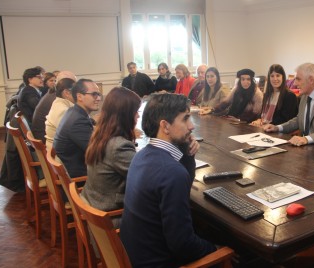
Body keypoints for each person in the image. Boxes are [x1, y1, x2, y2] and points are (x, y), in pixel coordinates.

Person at [120, 93, 216, 267]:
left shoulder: (141, 156)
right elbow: (182, 245)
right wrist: (216, 249)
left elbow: (182, 186)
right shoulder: (171, 172)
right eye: (185, 119)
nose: (191, 126)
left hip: (136, 254)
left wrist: (188, 155)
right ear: (165, 125)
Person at [81, 87, 141, 227]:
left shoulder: (100, 134)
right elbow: (148, 179)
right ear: (125, 114)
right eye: (135, 111)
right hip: (111, 218)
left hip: (94, 204)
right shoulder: (118, 146)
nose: (138, 115)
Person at [53, 79, 102, 178]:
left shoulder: (73, 111)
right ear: (79, 96)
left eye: (99, 94)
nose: (98, 98)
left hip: (76, 170)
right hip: (80, 178)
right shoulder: (77, 121)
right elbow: (98, 153)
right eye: (94, 94)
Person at [32, 71, 77, 143]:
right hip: (45, 139)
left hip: (46, 136)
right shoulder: (56, 100)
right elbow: (73, 131)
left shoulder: (54, 94)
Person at [44, 77, 76, 151]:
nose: (79, 95)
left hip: (56, 151)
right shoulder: (63, 110)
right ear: (67, 93)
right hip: (60, 157)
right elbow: (76, 135)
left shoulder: (58, 103)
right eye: (77, 91)